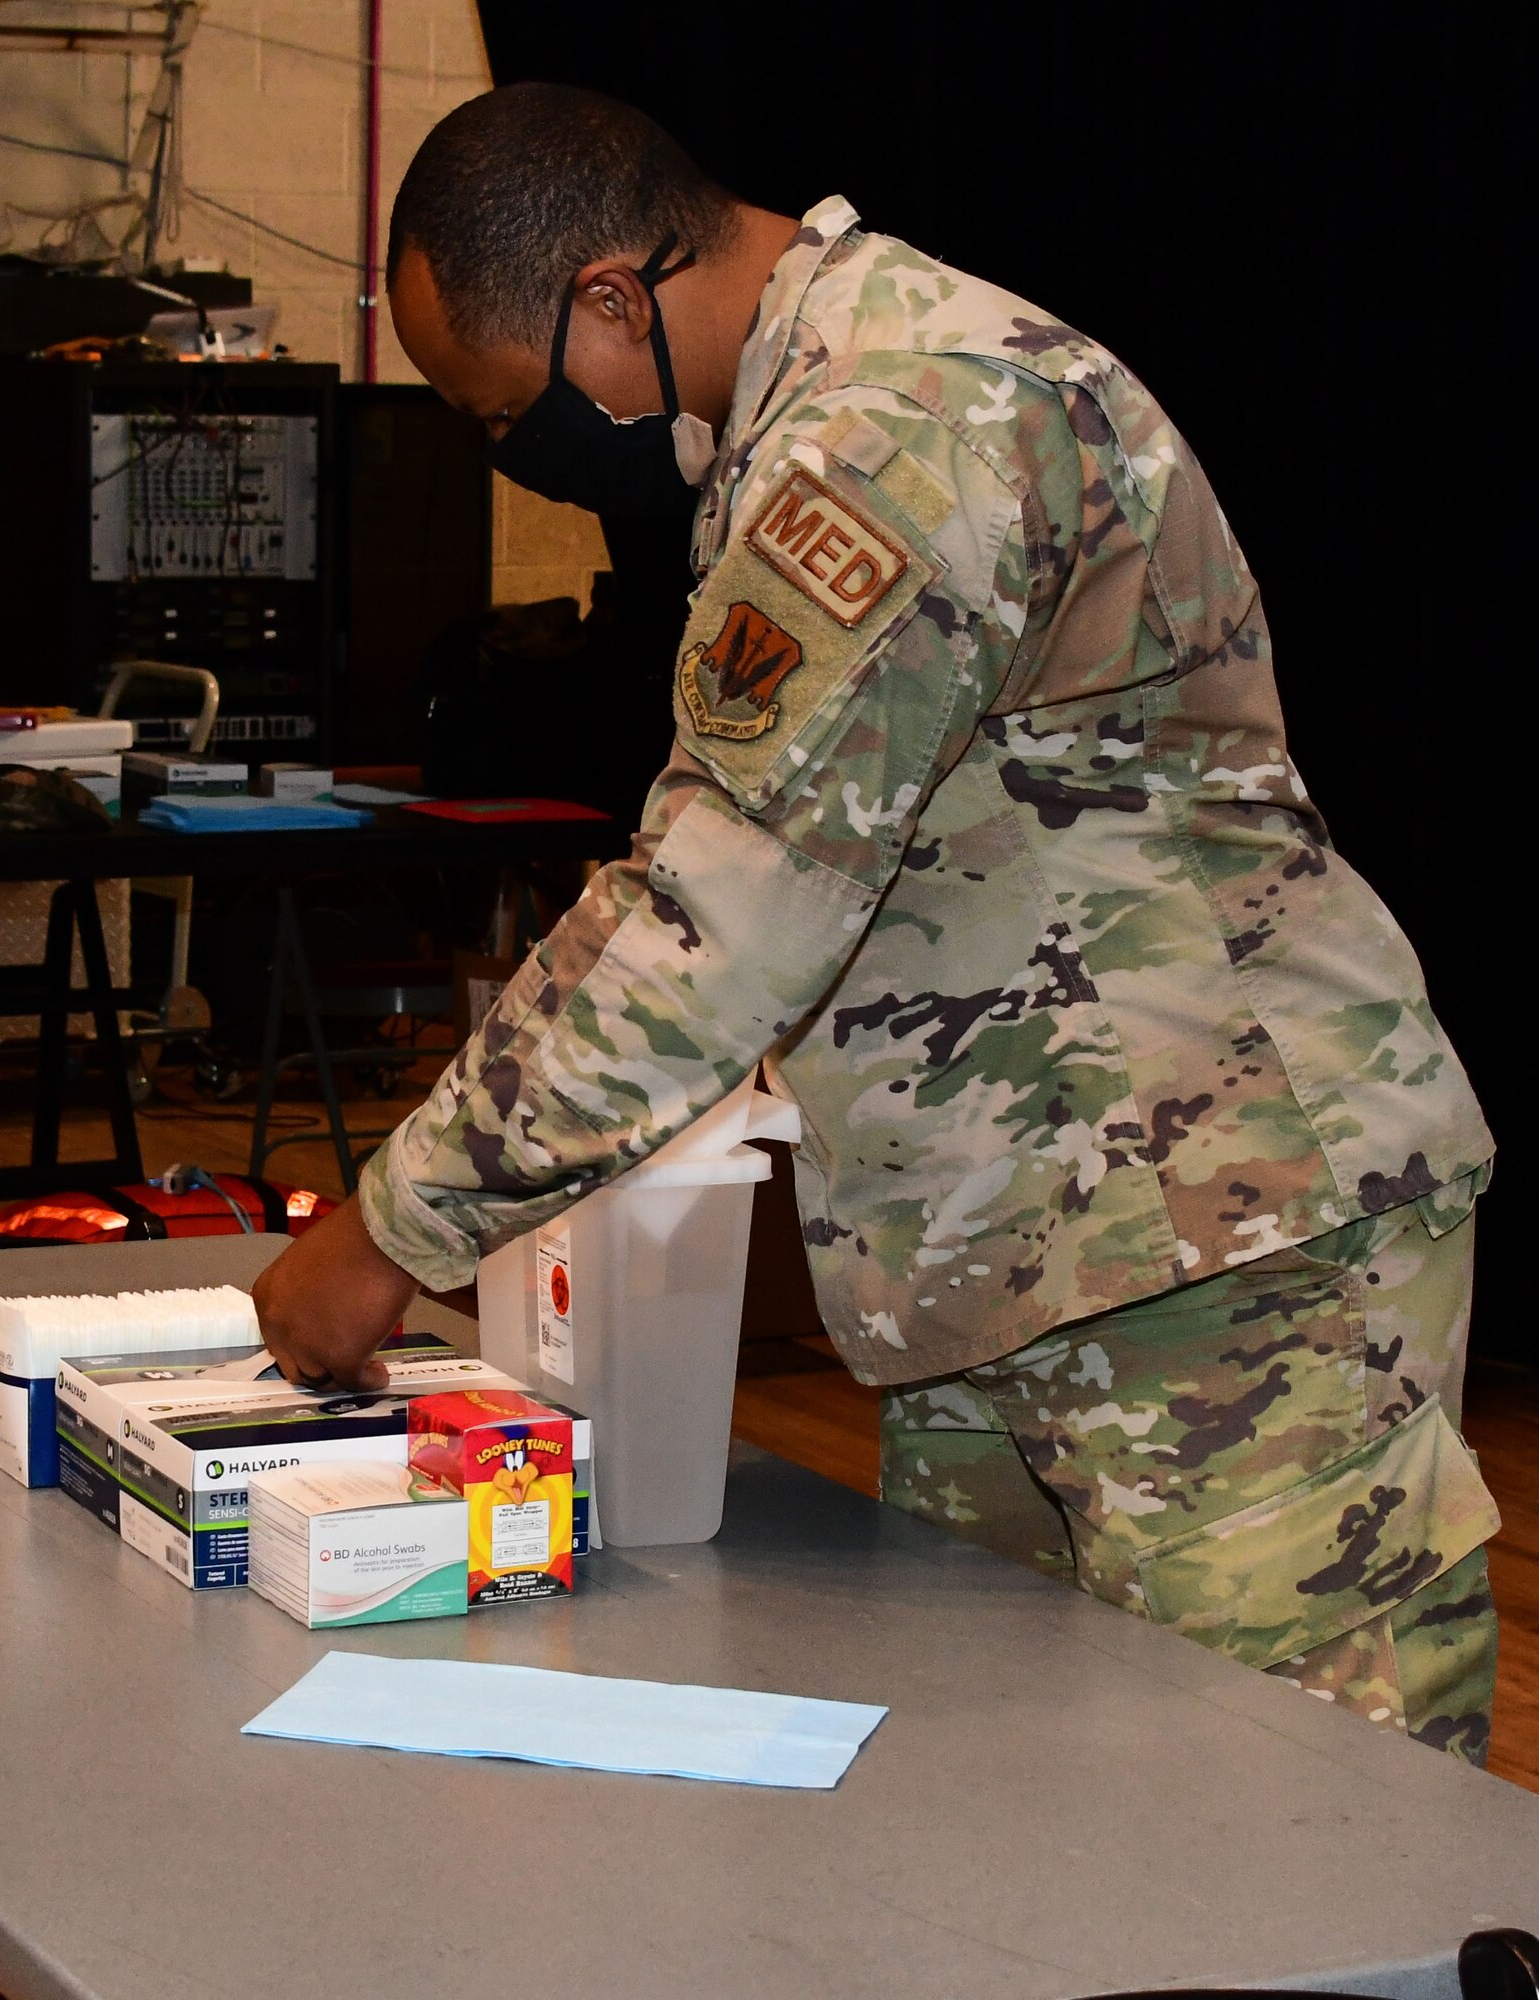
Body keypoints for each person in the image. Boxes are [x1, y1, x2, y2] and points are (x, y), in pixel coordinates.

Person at [252, 83, 1500, 1760]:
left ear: (611, 296)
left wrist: (393, 1230)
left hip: (1223, 1243)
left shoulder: (897, 428)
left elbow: (714, 915)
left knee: (1302, 1835)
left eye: (506, 413)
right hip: (1021, 1244)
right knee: (1004, 1823)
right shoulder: (807, 421)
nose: (518, 453)